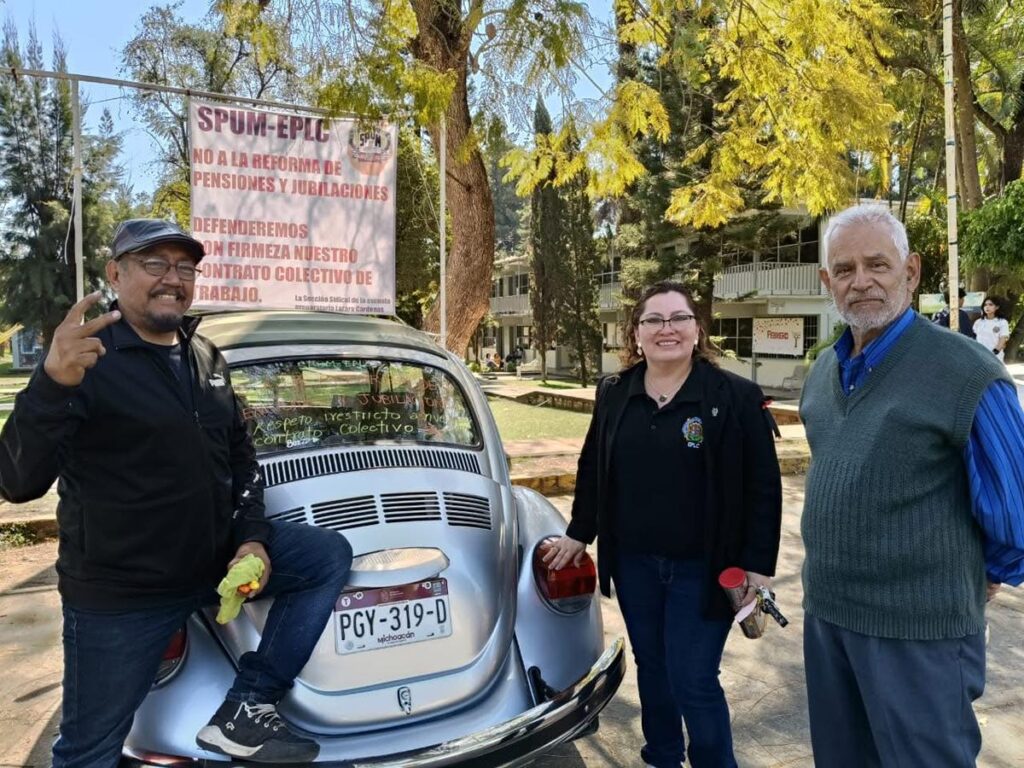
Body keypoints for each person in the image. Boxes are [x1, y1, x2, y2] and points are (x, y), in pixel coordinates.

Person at [0, 219, 354, 766]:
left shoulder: (205, 356)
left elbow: (240, 461)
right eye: (155, 264)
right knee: (89, 750)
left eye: (185, 267)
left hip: (212, 565)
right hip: (123, 597)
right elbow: (18, 482)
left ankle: (246, 708)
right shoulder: (85, 359)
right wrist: (52, 384)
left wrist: (253, 539)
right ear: (115, 273)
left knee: (325, 555)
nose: (173, 278)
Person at [801, 206, 1024, 767]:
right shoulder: (824, 371)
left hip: (917, 632)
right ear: (828, 282)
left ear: (912, 271)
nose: (862, 281)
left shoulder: (966, 372)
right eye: (845, 269)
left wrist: (981, 574)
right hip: (828, 619)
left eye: (878, 263)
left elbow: (1016, 512)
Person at [543, 281, 783, 768]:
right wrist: (578, 531)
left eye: (679, 318)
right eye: (653, 319)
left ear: (698, 330)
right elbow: (594, 465)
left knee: (692, 676)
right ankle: (663, 756)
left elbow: (764, 486)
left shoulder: (733, 396)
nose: (666, 328)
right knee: (653, 668)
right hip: (634, 564)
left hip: (706, 566)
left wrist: (758, 565)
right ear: (636, 332)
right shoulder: (615, 392)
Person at [973, 294, 1011, 361]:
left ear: (997, 307)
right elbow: (974, 338)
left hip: (995, 357)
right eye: (985, 305)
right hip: (979, 357)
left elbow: (1002, 340)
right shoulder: (978, 322)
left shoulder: (1002, 322)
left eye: (990, 305)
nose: (987, 307)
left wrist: (994, 353)